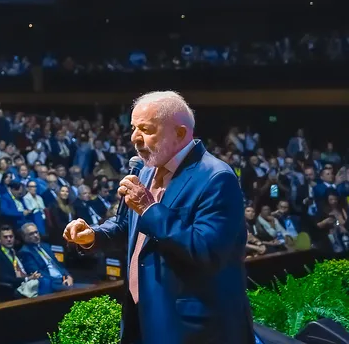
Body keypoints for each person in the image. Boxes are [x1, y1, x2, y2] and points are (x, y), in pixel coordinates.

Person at [63, 91, 254, 344]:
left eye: (146, 129)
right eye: (133, 128)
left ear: (180, 133)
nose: (134, 138)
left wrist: (150, 209)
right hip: (143, 316)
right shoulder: (145, 170)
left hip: (192, 329)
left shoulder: (216, 178)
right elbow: (126, 226)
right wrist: (93, 235)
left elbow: (207, 251)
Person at [19, 223, 81, 295]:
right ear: (24, 237)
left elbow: (59, 265)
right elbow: (38, 274)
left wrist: (68, 276)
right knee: (86, 290)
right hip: (51, 284)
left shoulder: (45, 246)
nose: (35, 236)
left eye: (36, 232)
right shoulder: (25, 252)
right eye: (31, 234)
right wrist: (59, 281)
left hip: (63, 280)